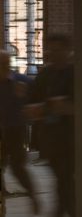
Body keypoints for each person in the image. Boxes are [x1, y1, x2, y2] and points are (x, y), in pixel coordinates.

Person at [28, 32, 75, 216]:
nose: (55, 54)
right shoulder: (45, 74)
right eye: (52, 50)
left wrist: (67, 107)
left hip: (70, 135)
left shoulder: (75, 73)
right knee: (61, 177)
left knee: (65, 178)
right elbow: (33, 101)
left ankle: (64, 210)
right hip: (51, 136)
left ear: (68, 50)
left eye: (59, 50)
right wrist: (38, 109)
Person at [0, 47, 34, 206]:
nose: (3, 67)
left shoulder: (21, 81)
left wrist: (24, 98)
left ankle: (32, 194)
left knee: (17, 166)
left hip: (14, 129)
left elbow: (36, 101)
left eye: (5, 63)